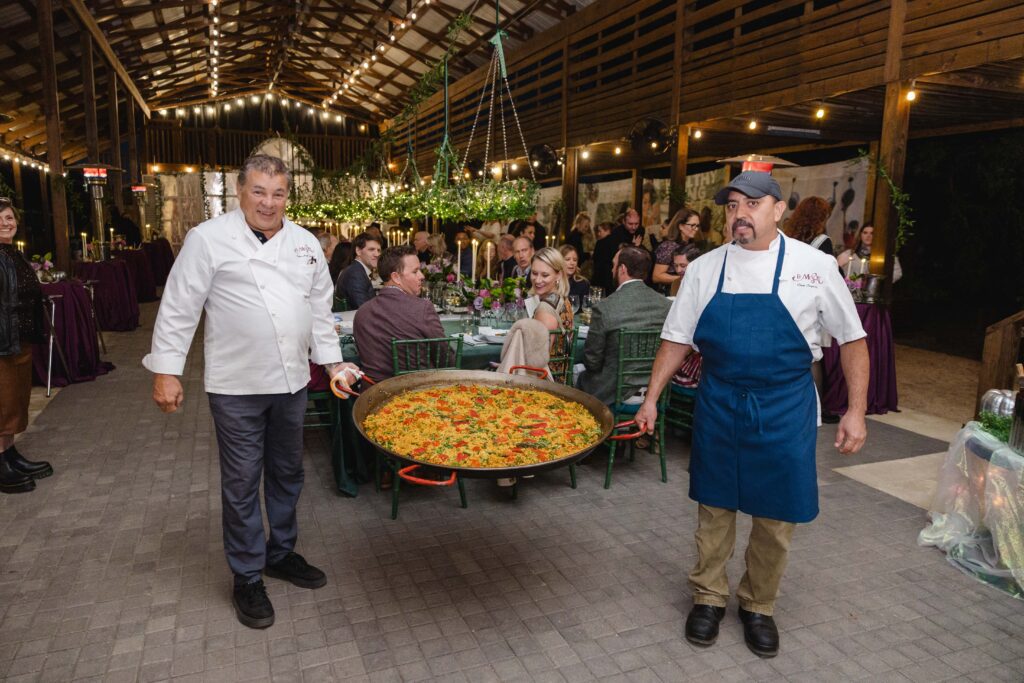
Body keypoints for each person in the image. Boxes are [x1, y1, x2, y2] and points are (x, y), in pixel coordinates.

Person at [634, 170, 869, 658]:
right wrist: (652, 396)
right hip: (720, 400)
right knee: (714, 506)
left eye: (752, 204)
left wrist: (857, 412)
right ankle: (708, 596)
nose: (739, 214)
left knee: (776, 514)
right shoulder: (704, 268)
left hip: (785, 404)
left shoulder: (815, 266)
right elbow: (677, 337)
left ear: (778, 210)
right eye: (732, 205)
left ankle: (759, 604)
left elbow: (853, 340)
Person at [143, 154, 360, 630]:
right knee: (242, 483)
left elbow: (320, 311)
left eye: (278, 192)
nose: (268, 202)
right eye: (259, 191)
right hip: (236, 385)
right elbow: (180, 305)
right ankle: (246, 576)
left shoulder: (304, 243)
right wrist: (166, 370)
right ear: (240, 192)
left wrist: (333, 363)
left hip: (292, 381)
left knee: (287, 472)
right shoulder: (209, 239)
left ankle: (280, 552)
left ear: (288, 196)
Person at [0, 199, 52, 494]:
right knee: (2, 402)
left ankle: (9, 453)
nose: (6, 223)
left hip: (19, 339)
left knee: (15, 400)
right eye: (0, 219)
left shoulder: (12, 252)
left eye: (9, 218)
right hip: (2, 341)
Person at [577, 246, 670, 405]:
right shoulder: (666, 305)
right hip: (655, 390)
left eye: (614, 265)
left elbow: (592, 361)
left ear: (622, 269)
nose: (612, 270)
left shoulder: (606, 307)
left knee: (578, 376)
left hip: (614, 392)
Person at [353, 245, 446, 381]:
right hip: (415, 393)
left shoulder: (362, 311)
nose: (422, 276)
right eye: (415, 272)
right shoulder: (422, 308)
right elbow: (442, 355)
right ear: (396, 277)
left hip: (373, 393)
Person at [591, 208, 642, 292]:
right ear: (624, 222)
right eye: (630, 224)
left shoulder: (639, 232)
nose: (633, 227)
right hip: (608, 279)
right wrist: (634, 247)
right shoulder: (614, 237)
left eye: (636, 224)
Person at [652, 208, 702, 293]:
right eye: (692, 225)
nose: (696, 229)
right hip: (669, 294)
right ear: (681, 226)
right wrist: (684, 279)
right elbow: (656, 276)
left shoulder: (691, 244)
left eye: (697, 226)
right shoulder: (668, 246)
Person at [837, 224, 902, 282]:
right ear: (860, 235)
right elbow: (835, 270)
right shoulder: (850, 253)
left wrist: (879, 282)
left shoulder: (884, 255)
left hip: (872, 292)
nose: (868, 236)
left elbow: (897, 273)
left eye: (872, 233)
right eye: (865, 233)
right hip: (850, 291)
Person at [335, 231, 381, 309]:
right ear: (358, 251)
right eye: (371, 249)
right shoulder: (355, 273)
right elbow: (363, 308)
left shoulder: (357, 269)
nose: (377, 254)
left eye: (378, 250)